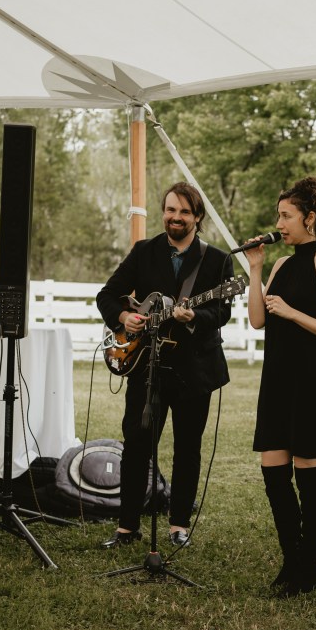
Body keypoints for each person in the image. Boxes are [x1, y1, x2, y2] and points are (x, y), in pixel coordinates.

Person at [96, 182, 233, 549]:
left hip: (195, 369)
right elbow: (106, 295)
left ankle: (178, 525)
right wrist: (124, 317)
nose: (176, 217)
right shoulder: (144, 251)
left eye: (184, 212)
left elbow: (222, 312)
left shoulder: (217, 259)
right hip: (146, 365)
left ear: (197, 217)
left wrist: (194, 316)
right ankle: (127, 527)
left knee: (188, 448)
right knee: (136, 446)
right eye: (171, 210)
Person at [246, 177, 316, 596]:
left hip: (312, 382)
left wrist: (292, 313)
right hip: (277, 380)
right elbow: (257, 320)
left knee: (308, 477)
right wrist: (255, 268)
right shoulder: (279, 266)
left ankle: (306, 566)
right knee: (274, 475)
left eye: (286, 216)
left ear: (310, 218)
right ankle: (293, 561)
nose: (279, 223)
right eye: (278, 216)